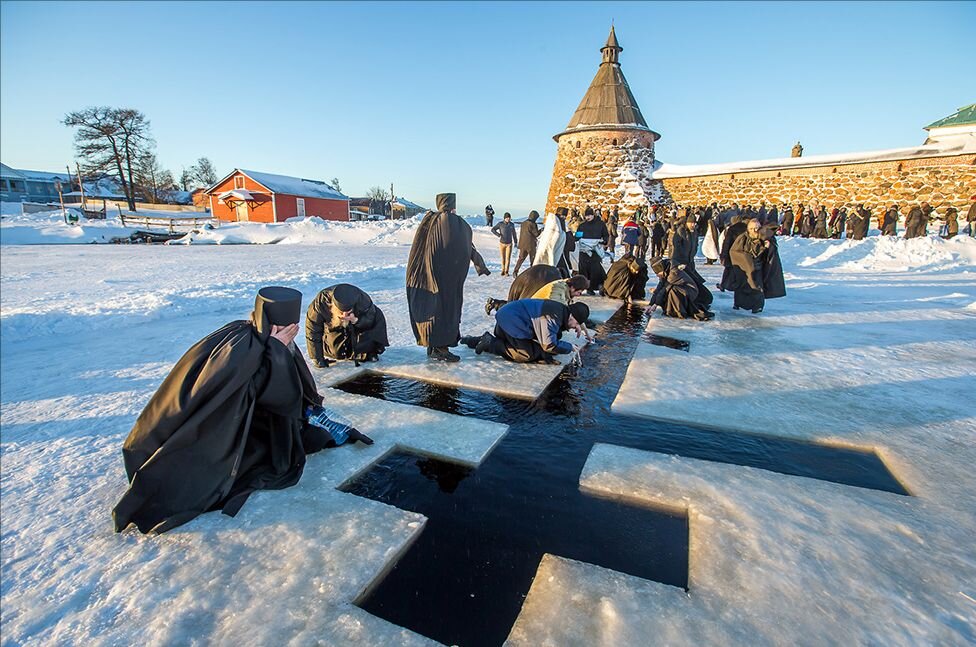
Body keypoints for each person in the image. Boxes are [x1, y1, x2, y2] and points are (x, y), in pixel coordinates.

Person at [112, 287, 373, 535]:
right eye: (287, 330)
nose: (292, 334)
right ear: (273, 325)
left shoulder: (264, 340)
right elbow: (270, 397)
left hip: (249, 420)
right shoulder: (243, 347)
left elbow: (289, 390)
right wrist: (276, 352)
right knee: (273, 461)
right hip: (214, 431)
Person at [407, 193, 490, 363]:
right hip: (448, 280)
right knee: (445, 312)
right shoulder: (455, 223)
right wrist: (479, 264)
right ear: (453, 206)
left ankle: (432, 347)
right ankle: (441, 350)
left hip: (428, 277)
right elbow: (465, 246)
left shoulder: (429, 221)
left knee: (431, 309)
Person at [461, 300, 589, 364]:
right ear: (571, 317)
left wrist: (576, 325)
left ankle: (471, 340)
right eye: (576, 324)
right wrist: (569, 347)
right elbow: (549, 344)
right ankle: (490, 343)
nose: (575, 327)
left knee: (555, 338)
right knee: (526, 354)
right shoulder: (552, 317)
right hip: (511, 324)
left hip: (508, 320)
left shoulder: (560, 310)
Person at [305, 284, 389, 367]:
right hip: (333, 328)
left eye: (348, 312)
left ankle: (367, 352)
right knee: (336, 352)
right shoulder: (320, 304)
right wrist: (317, 359)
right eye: (341, 312)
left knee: (369, 336)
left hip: (358, 327)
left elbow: (370, 320)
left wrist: (356, 320)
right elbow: (312, 330)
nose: (345, 315)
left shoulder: (362, 299)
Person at [727, 218, 786, 313]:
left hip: (758, 268)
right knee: (742, 288)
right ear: (748, 229)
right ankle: (739, 304)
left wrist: (768, 247)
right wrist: (747, 260)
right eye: (752, 228)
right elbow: (734, 252)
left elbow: (768, 253)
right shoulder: (742, 238)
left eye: (757, 228)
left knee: (757, 288)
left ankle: (757, 307)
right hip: (745, 269)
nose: (754, 231)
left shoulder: (764, 238)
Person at [485, 267, 588, 315]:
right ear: (573, 287)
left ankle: (495, 303)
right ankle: (496, 304)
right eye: (579, 292)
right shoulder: (557, 287)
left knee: (515, 305)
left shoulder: (561, 282)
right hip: (530, 282)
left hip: (526, 277)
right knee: (519, 309)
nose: (578, 295)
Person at [645, 257, 714, 321]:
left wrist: (656, 304)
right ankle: (672, 310)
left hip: (690, 291)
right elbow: (659, 287)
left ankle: (677, 311)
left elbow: (665, 289)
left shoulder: (674, 272)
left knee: (671, 290)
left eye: (658, 273)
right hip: (682, 289)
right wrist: (651, 304)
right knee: (669, 290)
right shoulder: (666, 271)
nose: (657, 275)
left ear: (661, 269)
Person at [670, 214, 713, 309]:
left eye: (694, 223)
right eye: (691, 223)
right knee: (685, 280)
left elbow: (695, 244)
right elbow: (676, 245)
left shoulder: (694, 232)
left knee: (694, 279)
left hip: (690, 260)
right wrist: (679, 260)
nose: (693, 225)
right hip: (680, 261)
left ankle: (698, 298)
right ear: (687, 223)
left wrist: (692, 255)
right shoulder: (681, 231)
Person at [576, 207, 609, 293]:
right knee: (584, 270)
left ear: (593, 215)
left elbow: (605, 235)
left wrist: (604, 241)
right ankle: (587, 288)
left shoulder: (600, 224)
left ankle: (598, 286)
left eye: (589, 215)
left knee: (595, 269)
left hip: (595, 250)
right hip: (584, 251)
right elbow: (577, 236)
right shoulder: (582, 225)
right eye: (586, 216)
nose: (588, 218)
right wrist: (575, 238)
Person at [512, 210, 541, 276]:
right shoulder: (533, 224)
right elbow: (536, 234)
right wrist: (541, 230)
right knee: (533, 260)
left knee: (521, 258)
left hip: (522, 244)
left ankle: (515, 271)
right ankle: (532, 273)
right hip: (531, 245)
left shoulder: (523, 223)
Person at [492, 212, 518, 276]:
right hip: (502, 244)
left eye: (509, 218)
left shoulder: (511, 225)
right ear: (504, 218)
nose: (508, 219)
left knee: (508, 258)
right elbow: (493, 229)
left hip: (509, 244)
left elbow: (514, 233)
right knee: (503, 258)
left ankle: (506, 271)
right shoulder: (500, 224)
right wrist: (498, 234)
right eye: (507, 218)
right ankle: (503, 270)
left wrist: (516, 242)